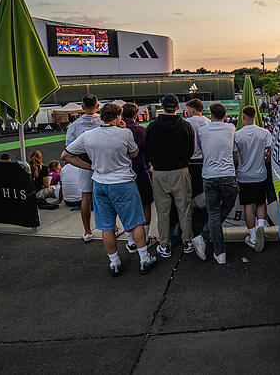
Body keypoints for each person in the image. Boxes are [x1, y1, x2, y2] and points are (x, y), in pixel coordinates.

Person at [62, 103, 156, 276]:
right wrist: (123, 130)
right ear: (118, 116)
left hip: (100, 182)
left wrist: (90, 167)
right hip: (123, 182)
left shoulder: (88, 135)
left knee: (107, 226)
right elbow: (134, 154)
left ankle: (114, 262)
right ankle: (144, 258)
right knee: (136, 222)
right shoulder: (124, 133)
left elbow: (66, 155)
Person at [143, 94, 195, 258]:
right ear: (177, 107)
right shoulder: (185, 126)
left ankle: (165, 245)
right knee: (184, 209)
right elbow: (190, 150)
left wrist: (153, 165)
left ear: (162, 107)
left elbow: (146, 151)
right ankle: (187, 241)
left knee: (163, 212)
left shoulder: (152, 127)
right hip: (180, 171)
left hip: (159, 172)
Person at [190, 103, 238, 264]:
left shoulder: (203, 131)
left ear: (211, 115)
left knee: (214, 214)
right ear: (225, 115)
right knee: (223, 209)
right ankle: (216, 249)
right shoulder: (230, 127)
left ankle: (211, 243)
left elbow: (201, 146)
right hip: (227, 175)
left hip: (209, 176)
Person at [65, 94, 111, 242]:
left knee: (86, 197)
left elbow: (69, 148)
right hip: (103, 162)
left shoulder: (74, 125)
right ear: (97, 106)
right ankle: (111, 228)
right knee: (107, 196)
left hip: (85, 163)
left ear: (82, 107)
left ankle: (87, 231)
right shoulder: (104, 121)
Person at [233, 105, 273, 252]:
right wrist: (265, 159)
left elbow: (234, 156)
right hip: (260, 174)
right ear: (255, 116)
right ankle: (261, 227)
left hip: (244, 176)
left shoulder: (238, 135)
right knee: (261, 203)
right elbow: (270, 151)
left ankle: (253, 237)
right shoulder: (264, 133)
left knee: (248, 205)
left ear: (243, 117)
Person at [122, 102, 157, 253]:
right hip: (141, 171)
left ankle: (131, 240)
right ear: (136, 115)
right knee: (146, 204)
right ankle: (146, 236)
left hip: (123, 174)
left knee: (126, 206)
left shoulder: (117, 131)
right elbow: (150, 152)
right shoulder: (142, 130)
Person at [185, 98, 210, 199]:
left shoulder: (188, 122)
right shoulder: (208, 121)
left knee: (194, 190)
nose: (187, 111)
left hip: (192, 161)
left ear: (192, 110)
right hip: (206, 160)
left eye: (188, 109)